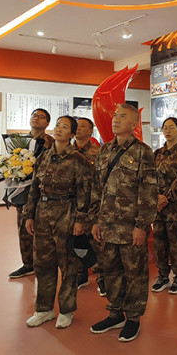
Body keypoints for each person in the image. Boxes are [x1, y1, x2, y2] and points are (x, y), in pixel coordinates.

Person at [90, 104, 157, 342]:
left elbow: (149, 192)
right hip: (107, 225)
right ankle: (115, 313)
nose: (116, 119)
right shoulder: (105, 150)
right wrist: (95, 220)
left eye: (122, 116)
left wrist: (142, 225)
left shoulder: (142, 152)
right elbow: (97, 188)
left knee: (135, 274)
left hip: (130, 227)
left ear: (133, 124)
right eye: (115, 116)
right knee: (111, 271)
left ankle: (133, 318)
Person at [23, 115, 92, 329]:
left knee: (68, 264)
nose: (59, 129)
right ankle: (44, 309)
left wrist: (80, 220)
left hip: (67, 214)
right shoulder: (44, 156)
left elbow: (84, 193)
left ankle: (66, 309)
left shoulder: (78, 160)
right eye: (57, 126)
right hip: (43, 214)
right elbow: (34, 188)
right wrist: (29, 214)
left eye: (64, 127)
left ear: (72, 134)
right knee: (43, 263)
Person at [9, 108, 54, 279]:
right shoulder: (20, 142)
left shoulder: (51, 142)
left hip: (43, 193)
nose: (36, 118)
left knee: (43, 229)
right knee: (23, 228)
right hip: (23, 192)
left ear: (47, 123)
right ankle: (28, 264)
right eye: (34, 115)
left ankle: (45, 263)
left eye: (41, 117)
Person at [152, 117, 177, 294]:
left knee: (176, 243)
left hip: (175, 206)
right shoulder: (157, 153)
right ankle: (163, 275)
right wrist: (156, 197)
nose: (168, 131)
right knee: (159, 242)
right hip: (158, 207)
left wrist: (165, 197)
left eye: (172, 127)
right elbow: (150, 177)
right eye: (165, 127)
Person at [72, 117, 102, 291]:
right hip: (71, 204)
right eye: (77, 126)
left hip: (92, 203)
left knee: (95, 241)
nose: (79, 129)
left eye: (83, 126)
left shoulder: (98, 152)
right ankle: (80, 275)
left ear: (90, 131)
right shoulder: (67, 151)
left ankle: (101, 278)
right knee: (74, 240)